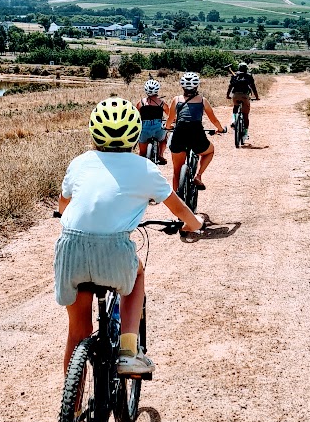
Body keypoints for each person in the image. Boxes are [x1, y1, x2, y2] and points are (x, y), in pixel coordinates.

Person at [55, 97, 203, 376]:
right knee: (137, 275)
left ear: (93, 131)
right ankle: (128, 350)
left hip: (71, 248)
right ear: (134, 134)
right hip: (113, 251)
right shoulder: (145, 169)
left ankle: (73, 415)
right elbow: (179, 207)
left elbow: (64, 206)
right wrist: (194, 224)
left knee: (77, 334)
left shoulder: (79, 163)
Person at [164, 72, 225, 193]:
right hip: (196, 135)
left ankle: (176, 199)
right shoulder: (203, 100)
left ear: (182, 86)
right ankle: (198, 175)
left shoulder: (176, 100)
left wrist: (167, 126)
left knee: (177, 170)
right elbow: (213, 119)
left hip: (179, 135)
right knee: (210, 151)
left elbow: (170, 119)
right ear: (196, 86)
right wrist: (220, 129)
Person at [136, 78, 170, 164]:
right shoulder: (162, 103)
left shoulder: (141, 103)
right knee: (164, 138)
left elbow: (135, 115)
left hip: (144, 130)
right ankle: (161, 155)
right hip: (158, 129)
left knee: (142, 154)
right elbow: (171, 116)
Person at [227, 62, 259, 140]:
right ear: (246, 69)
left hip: (235, 95)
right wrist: (257, 97)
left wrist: (227, 95)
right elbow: (253, 87)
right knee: (245, 115)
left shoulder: (235, 75)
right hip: (245, 96)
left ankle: (234, 120)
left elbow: (230, 86)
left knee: (235, 106)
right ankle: (245, 133)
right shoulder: (248, 76)